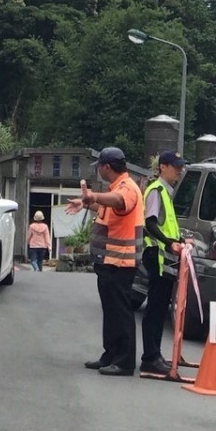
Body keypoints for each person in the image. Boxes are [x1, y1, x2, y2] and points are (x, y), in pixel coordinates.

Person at [66, 146, 144, 376]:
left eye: (99, 166)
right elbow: (110, 208)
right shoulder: (118, 187)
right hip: (109, 262)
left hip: (119, 263)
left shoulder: (127, 188)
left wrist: (94, 196)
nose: (98, 170)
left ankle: (124, 361)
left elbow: (119, 201)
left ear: (107, 167)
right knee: (111, 312)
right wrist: (88, 203)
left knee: (120, 313)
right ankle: (110, 355)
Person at [140, 150, 187, 377]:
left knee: (159, 310)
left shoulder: (166, 193)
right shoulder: (156, 191)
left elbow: (163, 225)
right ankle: (150, 357)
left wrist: (178, 241)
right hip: (157, 258)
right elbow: (150, 224)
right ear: (163, 167)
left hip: (165, 259)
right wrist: (169, 243)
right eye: (175, 166)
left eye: (181, 166)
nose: (180, 170)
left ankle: (154, 355)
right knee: (155, 310)